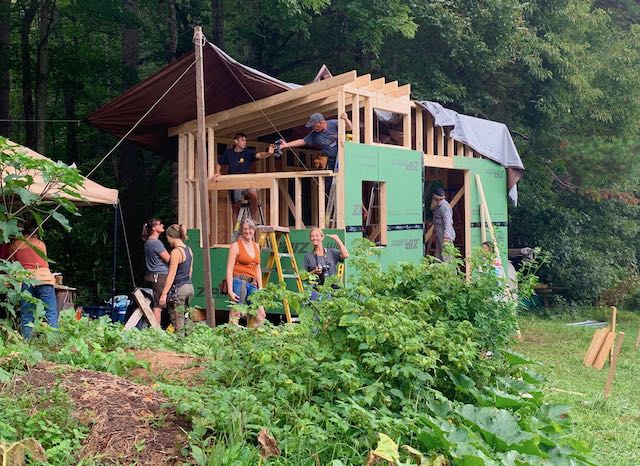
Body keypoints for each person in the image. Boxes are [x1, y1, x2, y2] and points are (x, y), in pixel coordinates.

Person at [280, 112, 353, 194]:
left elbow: (349, 128)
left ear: (321, 122)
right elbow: (302, 141)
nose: (313, 128)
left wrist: (346, 119)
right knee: (329, 183)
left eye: (314, 125)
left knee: (347, 180)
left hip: (343, 157)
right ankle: (330, 202)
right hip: (330, 160)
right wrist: (286, 145)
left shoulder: (333, 123)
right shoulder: (314, 135)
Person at [8, 221, 58, 339]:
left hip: (25, 279)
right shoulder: (40, 244)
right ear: (35, 233)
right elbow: (44, 263)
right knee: (50, 311)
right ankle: (54, 341)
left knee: (26, 312)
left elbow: (12, 265)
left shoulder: (15, 245)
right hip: (43, 278)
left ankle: (27, 340)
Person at [213, 133, 275, 222]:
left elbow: (259, 155)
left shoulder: (248, 152)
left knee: (254, 195)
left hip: (246, 183)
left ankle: (252, 219)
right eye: (242, 140)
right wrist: (217, 173)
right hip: (234, 184)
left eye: (245, 140)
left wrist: (268, 153)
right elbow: (219, 163)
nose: (244, 142)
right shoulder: (228, 153)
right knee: (236, 208)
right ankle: (237, 231)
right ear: (236, 141)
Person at [225, 219, 266, 327]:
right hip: (239, 281)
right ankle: (232, 340)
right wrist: (230, 290)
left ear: (254, 230)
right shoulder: (236, 246)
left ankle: (253, 341)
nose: (248, 231)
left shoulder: (256, 246)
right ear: (241, 231)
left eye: (250, 229)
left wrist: (261, 288)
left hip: (252, 284)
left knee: (260, 314)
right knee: (236, 312)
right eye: (245, 229)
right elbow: (229, 269)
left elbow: (257, 268)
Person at [158, 224, 194, 332]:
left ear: (170, 236)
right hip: (189, 286)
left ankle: (180, 343)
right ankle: (191, 341)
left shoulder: (176, 252)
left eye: (167, 238)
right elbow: (190, 270)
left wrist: (164, 294)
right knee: (186, 316)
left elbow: (172, 274)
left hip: (179, 289)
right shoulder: (189, 250)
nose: (168, 241)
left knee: (178, 319)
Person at [141, 218, 170, 324]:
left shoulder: (149, 242)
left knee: (155, 303)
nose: (162, 225)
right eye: (159, 224)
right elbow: (169, 259)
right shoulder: (156, 242)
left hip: (152, 275)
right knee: (158, 306)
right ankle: (156, 331)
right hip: (159, 275)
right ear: (154, 228)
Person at [431, 187, 455, 261]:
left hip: (445, 238)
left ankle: (450, 273)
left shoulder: (444, 207)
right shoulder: (438, 207)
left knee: (447, 259)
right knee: (439, 258)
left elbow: (448, 223)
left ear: (435, 197)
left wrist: (446, 238)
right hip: (440, 237)